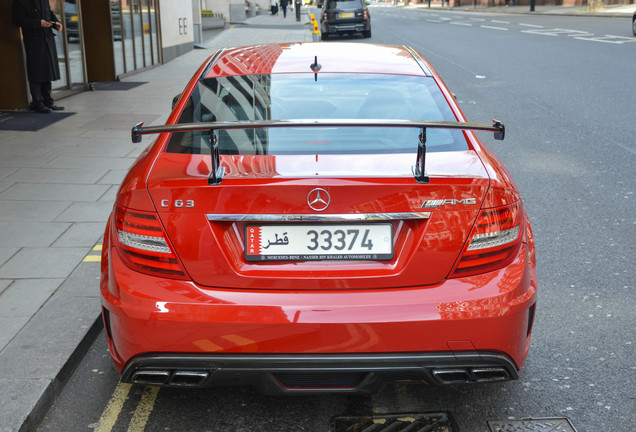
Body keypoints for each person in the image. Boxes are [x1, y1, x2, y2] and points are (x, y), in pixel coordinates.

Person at [12, 0, 64, 114]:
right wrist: (38, 23)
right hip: (34, 40)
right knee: (36, 71)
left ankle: (48, 100)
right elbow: (17, 20)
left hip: (47, 37)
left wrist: (56, 22)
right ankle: (38, 102)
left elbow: (48, 13)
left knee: (47, 70)